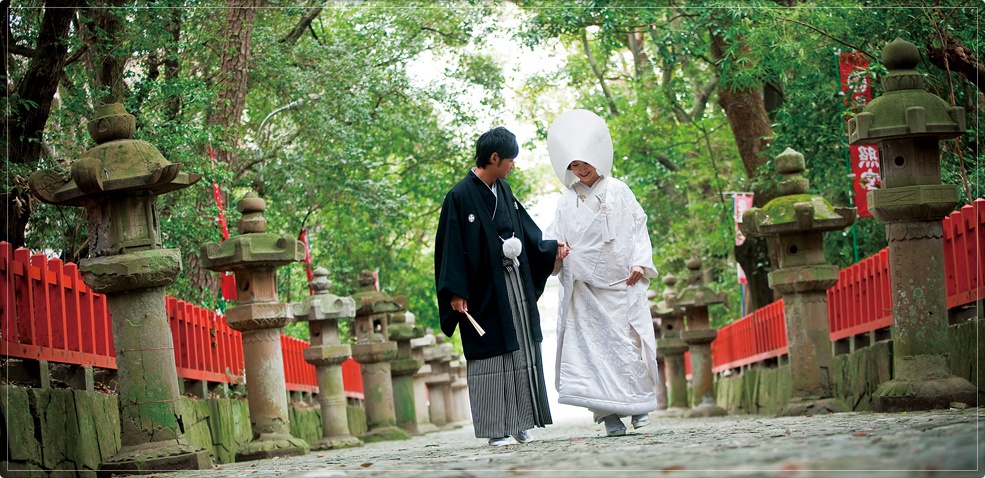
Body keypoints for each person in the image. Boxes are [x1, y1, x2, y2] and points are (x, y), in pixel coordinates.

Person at [434, 126, 568, 446]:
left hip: (513, 283)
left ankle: (520, 421)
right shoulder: (459, 196)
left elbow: (525, 231)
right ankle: (496, 428)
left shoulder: (504, 191)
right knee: (490, 356)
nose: (513, 165)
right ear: (494, 158)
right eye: (510, 159)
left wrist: (549, 249)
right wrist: (456, 292)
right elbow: (449, 248)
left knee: (521, 349)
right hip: (481, 291)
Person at [544, 109, 660, 437]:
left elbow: (638, 228)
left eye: (583, 164)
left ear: (597, 159)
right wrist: (557, 249)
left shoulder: (620, 191)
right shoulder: (566, 202)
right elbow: (554, 236)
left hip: (620, 281)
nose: (579, 172)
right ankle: (608, 415)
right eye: (574, 167)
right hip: (584, 288)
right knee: (593, 351)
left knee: (627, 344)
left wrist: (639, 261)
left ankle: (637, 404)